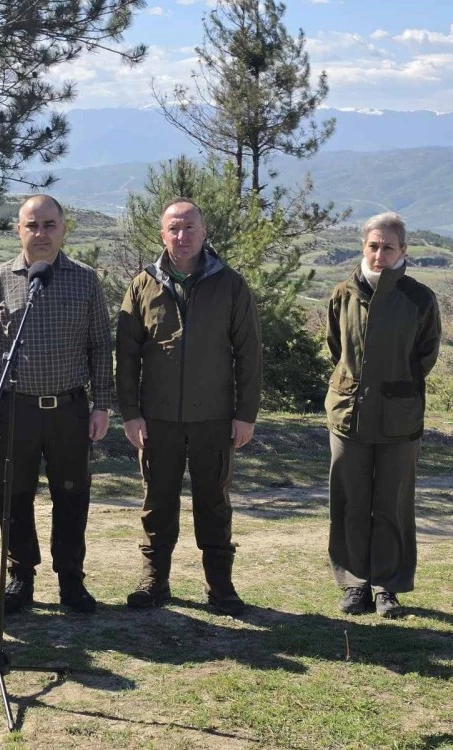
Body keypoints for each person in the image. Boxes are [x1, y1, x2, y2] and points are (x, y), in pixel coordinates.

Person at [115, 198, 262, 616]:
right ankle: (154, 582)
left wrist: (245, 414)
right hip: (156, 420)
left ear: (204, 232)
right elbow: (125, 356)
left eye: (189, 228)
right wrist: (130, 413)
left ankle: (221, 588)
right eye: (174, 229)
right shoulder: (143, 284)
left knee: (214, 502)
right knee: (156, 504)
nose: (182, 237)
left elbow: (249, 354)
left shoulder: (230, 284)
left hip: (213, 418)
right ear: (162, 234)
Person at [0, 194, 112, 615]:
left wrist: (102, 404)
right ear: (19, 230)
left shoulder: (85, 280)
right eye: (32, 225)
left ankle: (71, 580)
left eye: (50, 225)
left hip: (69, 409)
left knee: (72, 495)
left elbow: (101, 345)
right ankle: (21, 577)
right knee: (14, 495)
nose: (41, 234)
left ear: (64, 229)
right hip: (16, 409)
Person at [324, 212, 441, 618]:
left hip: (399, 420)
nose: (379, 254)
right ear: (363, 247)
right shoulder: (343, 293)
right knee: (350, 501)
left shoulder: (419, 299)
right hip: (349, 414)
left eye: (388, 247)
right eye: (373, 246)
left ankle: (387, 586)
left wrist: (394, 388)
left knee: (391, 503)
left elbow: (425, 355)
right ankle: (354, 583)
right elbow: (336, 348)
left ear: (403, 251)